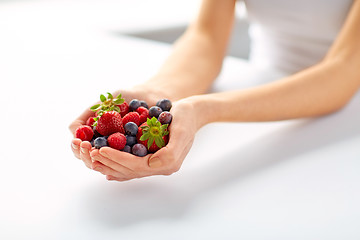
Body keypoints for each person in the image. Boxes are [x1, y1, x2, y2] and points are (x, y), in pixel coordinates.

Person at [70, 0, 360, 181]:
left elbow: (343, 72)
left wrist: (205, 108)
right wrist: (156, 92)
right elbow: (207, 36)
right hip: (261, 82)